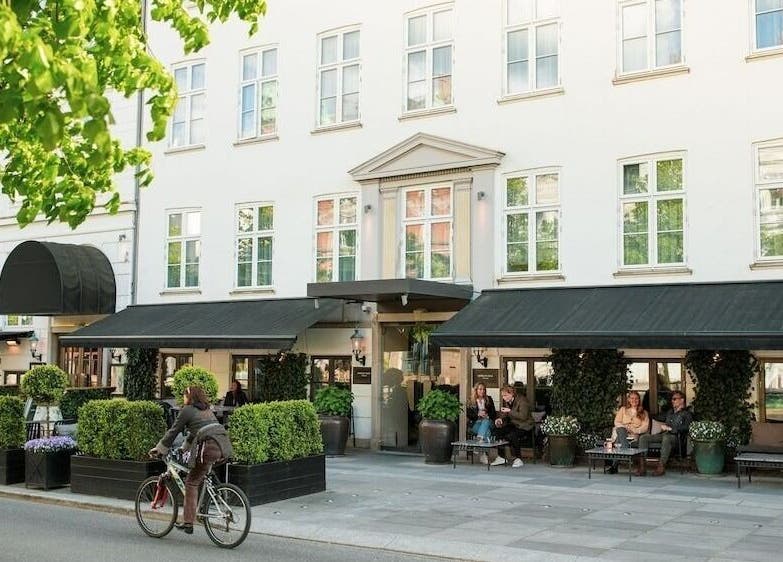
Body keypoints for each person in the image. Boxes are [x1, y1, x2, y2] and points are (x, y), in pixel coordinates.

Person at [149, 386, 233, 535]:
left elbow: (173, 431)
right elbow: (195, 433)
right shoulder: (206, 410)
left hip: (208, 447)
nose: (183, 399)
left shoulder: (187, 410)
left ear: (190, 397)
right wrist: (184, 448)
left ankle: (188, 523)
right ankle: (203, 506)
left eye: (184, 396)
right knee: (201, 472)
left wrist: (159, 449)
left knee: (191, 482)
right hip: (223, 447)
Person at [638, 390, 692, 476]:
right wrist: (644, 412)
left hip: (676, 438)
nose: (672, 401)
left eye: (674, 399)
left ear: (682, 400)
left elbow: (686, 427)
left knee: (666, 438)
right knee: (644, 437)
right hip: (664, 435)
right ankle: (642, 466)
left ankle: (661, 467)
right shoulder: (670, 412)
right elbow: (657, 416)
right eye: (672, 399)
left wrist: (671, 429)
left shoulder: (687, 414)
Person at [491, 384, 535, 468]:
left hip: (525, 426)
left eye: (505, 395)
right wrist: (500, 419)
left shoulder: (522, 400)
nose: (504, 398)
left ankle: (518, 458)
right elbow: (505, 414)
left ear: (511, 393)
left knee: (512, 435)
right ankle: (501, 457)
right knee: (498, 431)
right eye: (503, 396)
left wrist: (510, 411)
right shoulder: (507, 401)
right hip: (514, 424)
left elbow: (523, 416)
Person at [607, 390, 649, 474]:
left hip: (633, 436)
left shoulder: (644, 413)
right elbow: (617, 422)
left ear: (639, 400)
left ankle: (614, 465)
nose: (634, 400)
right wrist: (625, 427)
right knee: (621, 430)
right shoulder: (623, 409)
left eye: (636, 398)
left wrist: (634, 430)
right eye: (632, 398)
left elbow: (645, 427)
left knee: (620, 439)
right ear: (629, 400)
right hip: (621, 432)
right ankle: (625, 449)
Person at [466, 382, 496, 464]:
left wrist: (487, 415)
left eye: (483, 389)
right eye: (480, 389)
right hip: (476, 424)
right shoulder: (470, 400)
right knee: (487, 432)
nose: (482, 391)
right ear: (476, 390)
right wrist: (477, 414)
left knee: (485, 421)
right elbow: (469, 415)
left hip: (488, 422)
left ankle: (478, 443)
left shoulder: (489, 399)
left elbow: (494, 413)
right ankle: (483, 455)